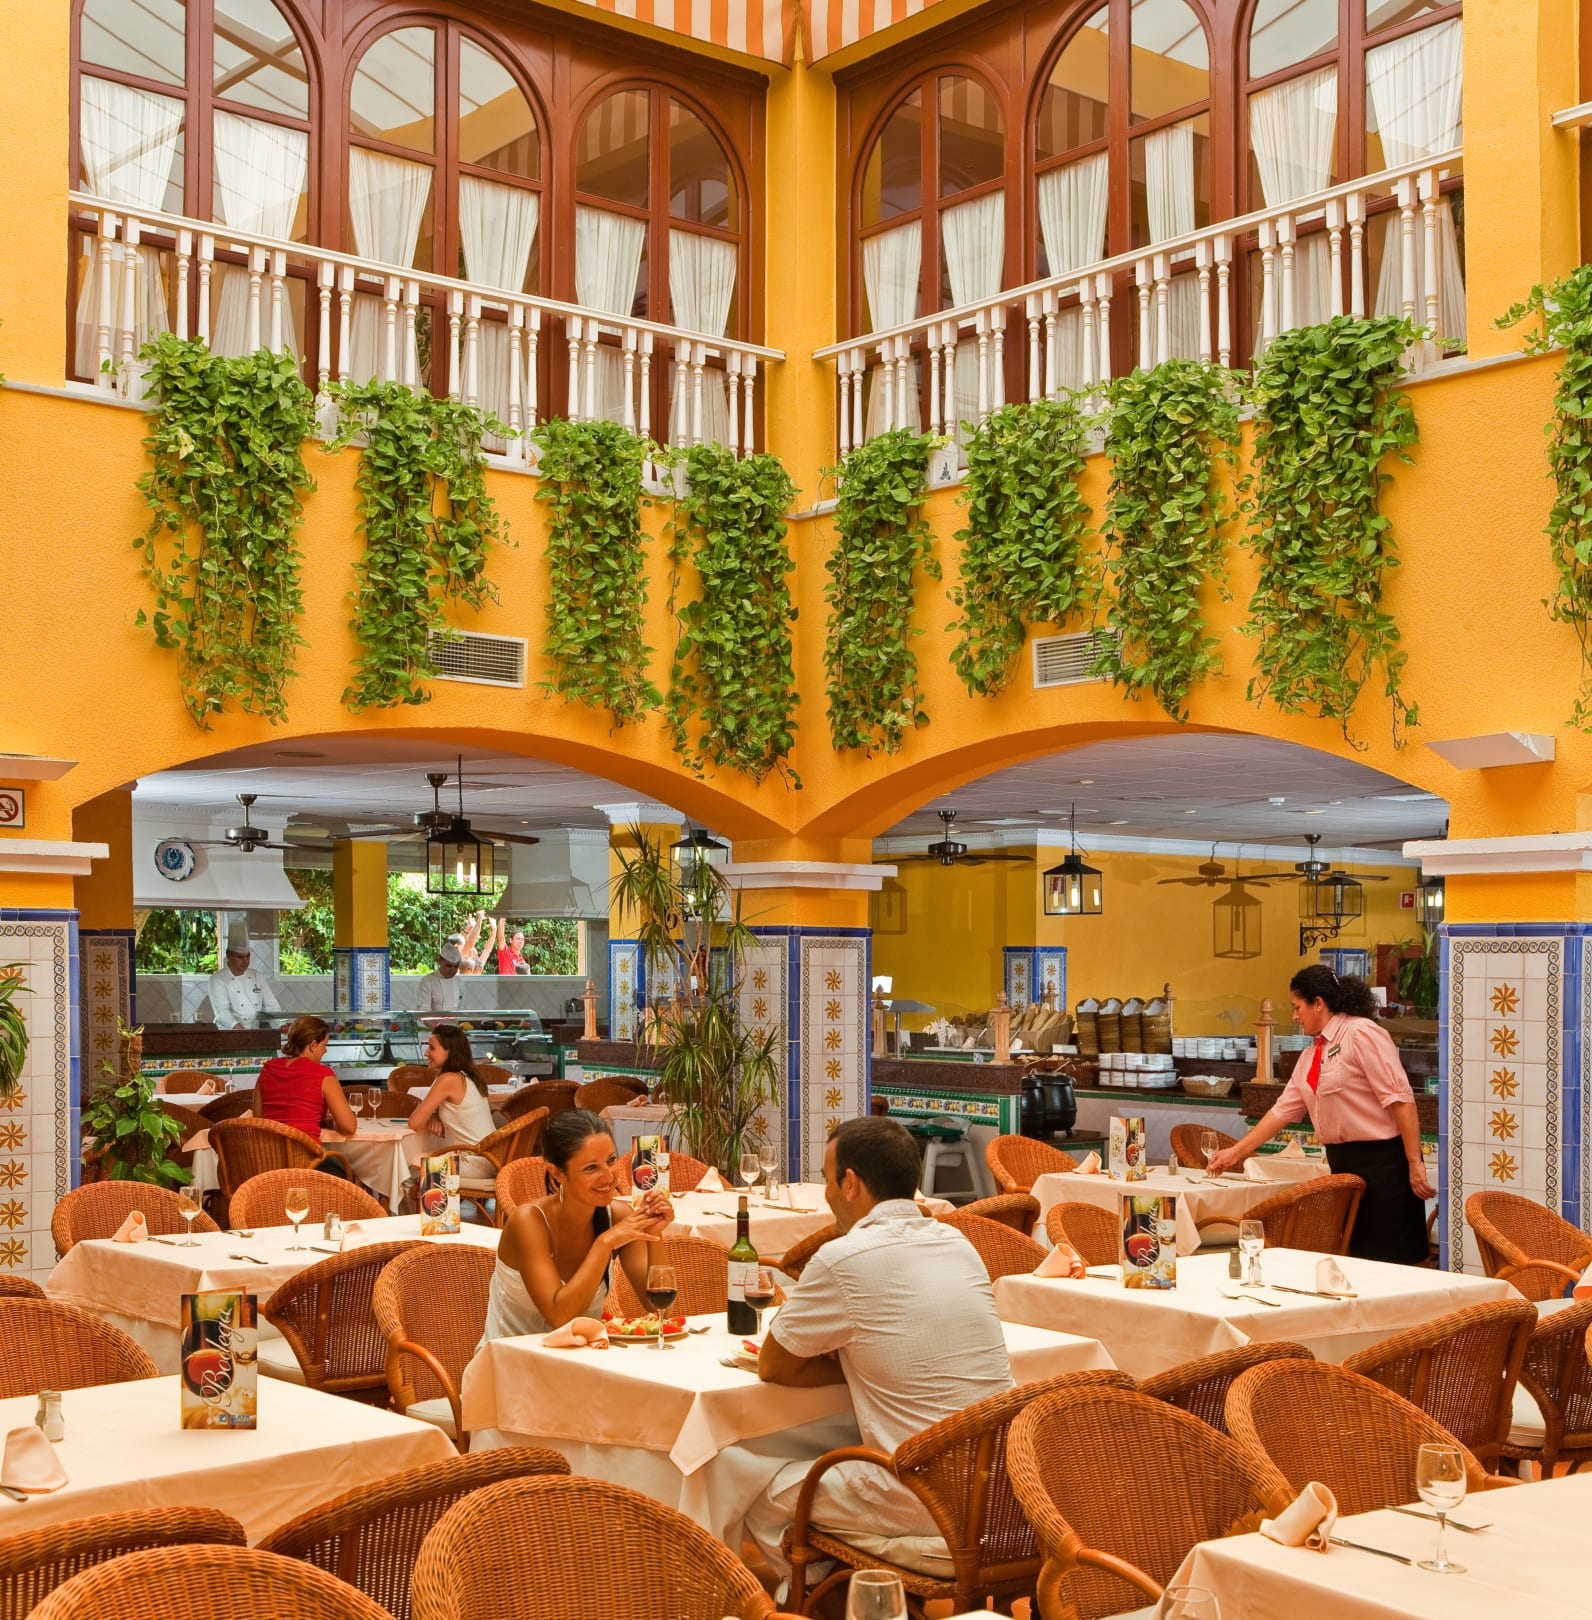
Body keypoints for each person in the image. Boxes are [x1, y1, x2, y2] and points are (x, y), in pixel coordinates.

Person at [746, 1116, 1014, 1589]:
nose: (827, 1194)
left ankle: (825, 1598)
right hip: (1000, 1492)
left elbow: (773, 1365)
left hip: (922, 1497)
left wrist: (853, 1361)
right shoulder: (958, 1242)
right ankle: (858, 1589)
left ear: (850, 1183)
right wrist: (868, 1358)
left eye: (828, 1180)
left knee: (756, 1491)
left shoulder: (843, 1257)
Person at [1207, 964, 1434, 1264]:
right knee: (1354, 1260)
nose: (1294, 1016)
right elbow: (1281, 1111)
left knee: (1391, 1262)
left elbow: (1401, 1100)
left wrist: (1415, 1163)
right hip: (1344, 1166)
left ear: (1318, 1003)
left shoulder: (1361, 1033)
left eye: (1297, 1007)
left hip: (1384, 1166)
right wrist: (1236, 1153)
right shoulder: (1311, 1054)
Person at [479, 1107, 672, 1342]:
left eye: (611, 1160)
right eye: (591, 1168)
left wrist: (654, 1235)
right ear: (556, 1173)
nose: (609, 1176)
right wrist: (605, 1242)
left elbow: (659, 1308)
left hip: (584, 1357)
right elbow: (559, 1316)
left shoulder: (618, 1216)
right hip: (512, 1359)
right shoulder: (528, 1222)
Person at [406, 1024, 499, 1181]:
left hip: (474, 1162)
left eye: (432, 1048)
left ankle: (429, 1197)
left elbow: (414, 1123)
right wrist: (434, 1115)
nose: (426, 1053)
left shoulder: (448, 1079)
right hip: (490, 1158)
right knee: (421, 1161)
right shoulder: (469, 1075)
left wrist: (430, 1115)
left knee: (409, 1170)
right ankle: (441, 1198)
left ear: (449, 1051)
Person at [257, 1015, 356, 1138]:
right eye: (324, 1045)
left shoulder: (268, 1069)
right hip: (305, 1149)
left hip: (268, 1148)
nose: (325, 1050)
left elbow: (258, 1118)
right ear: (313, 1045)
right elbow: (349, 1127)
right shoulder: (323, 1074)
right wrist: (331, 1123)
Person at [205, 919, 281, 1029]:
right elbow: (222, 1012)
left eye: (248, 956)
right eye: (240, 957)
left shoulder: (256, 976)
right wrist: (237, 1027)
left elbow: (271, 1006)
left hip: (254, 1033)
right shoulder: (217, 979)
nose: (245, 961)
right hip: (229, 1033)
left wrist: (281, 1025)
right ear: (229, 955)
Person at [417, 942, 463, 1014]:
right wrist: (440, 1022)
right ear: (439, 961)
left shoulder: (459, 982)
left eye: (456, 966)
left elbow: (460, 1010)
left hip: (454, 1021)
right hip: (432, 1021)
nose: (453, 970)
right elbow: (423, 1012)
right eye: (448, 966)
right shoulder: (427, 982)